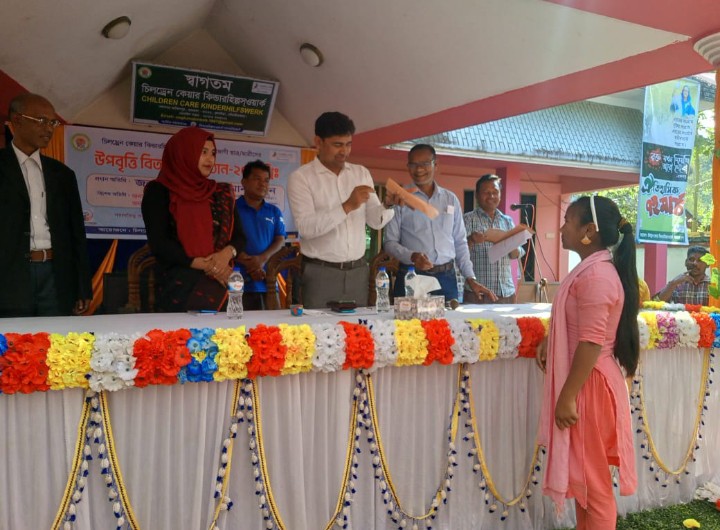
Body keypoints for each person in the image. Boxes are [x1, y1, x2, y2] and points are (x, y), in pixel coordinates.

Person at [536, 195, 638, 530]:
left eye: (568, 220)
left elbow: (592, 342)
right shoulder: (591, 271)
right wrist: (552, 339)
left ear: (589, 231)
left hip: (588, 385)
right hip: (588, 380)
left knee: (593, 488)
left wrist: (567, 396)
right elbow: (582, 326)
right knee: (584, 482)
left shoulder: (597, 276)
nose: (562, 227)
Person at [287, 111, 394, 309]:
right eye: (337, 144)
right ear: (318, 142)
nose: (344, 151)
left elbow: (375, 221)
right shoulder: (301, 178)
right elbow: (306, 228)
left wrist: (388, 205)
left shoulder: (360, 173)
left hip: (358, 271)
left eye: (348, 144)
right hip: (320, 272)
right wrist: (347, 206)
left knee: (357, 328)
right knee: (318, 328)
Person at [0, 93, 92, 317]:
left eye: (53, 123)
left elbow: (76, 234)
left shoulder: (62, 174)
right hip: (9, 277)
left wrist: (82, 286)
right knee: (13, 338)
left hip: (55, 276)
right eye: (42, 121)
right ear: (17, 120)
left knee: (55, 336)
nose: (49, 129)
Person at [141, 126, 245, 312]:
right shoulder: (158, 191)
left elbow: (240, 237)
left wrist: (225, 255)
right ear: (183, 153)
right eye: (203, 152)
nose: (210, 159)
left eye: (213, 153)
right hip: (179, 285)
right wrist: (210, 266)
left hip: (221, 283)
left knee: (229, 331)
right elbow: (160, 243)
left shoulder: (220, 193)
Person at [383, 144, 497, 302]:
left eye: (424, 163)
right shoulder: (399, 199)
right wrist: (412, 256)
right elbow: (389, 242)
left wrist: (471, 278)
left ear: (435, 165)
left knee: (448, 318)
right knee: (408, 319)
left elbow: (460, 242)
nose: (419, 169)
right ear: (408, 167)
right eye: (413, 164)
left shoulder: (450, 199)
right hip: (412, 276)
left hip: (446, 278)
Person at [463, 173, 524, 303]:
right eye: (486, 192)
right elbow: (458, 254)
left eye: (495, 192)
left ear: (500, 195)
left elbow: (515, 255)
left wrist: (510, 244)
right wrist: (471, 240)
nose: (491, 196)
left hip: (506, 293)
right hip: (478, 293)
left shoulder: (507, 221)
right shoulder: (467, 219)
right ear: (477, 195)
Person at [236, 159, 286, 310]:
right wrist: (250, 264)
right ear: (244, 182)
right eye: (257, 179)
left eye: (266, 180)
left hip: (267, 281)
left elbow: (280, 239)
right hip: (237, 282)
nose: (263, 184)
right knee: (238, 323)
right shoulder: (232, 208)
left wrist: (262, 259)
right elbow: (224, 241)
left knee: (271, 323)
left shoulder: (274, 211)